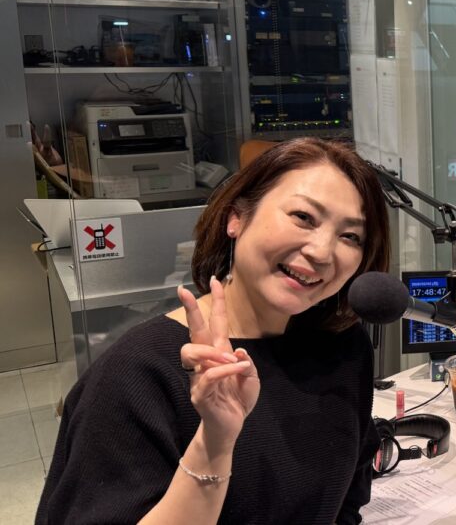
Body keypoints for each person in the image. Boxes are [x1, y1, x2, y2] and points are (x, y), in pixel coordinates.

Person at [37, 138, 392, 524]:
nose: (322, 252)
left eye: (350, 236)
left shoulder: (342, 347)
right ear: (236, 218)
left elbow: (347, 502)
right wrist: (215, 443)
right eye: (304, 217)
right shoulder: (136, 373)